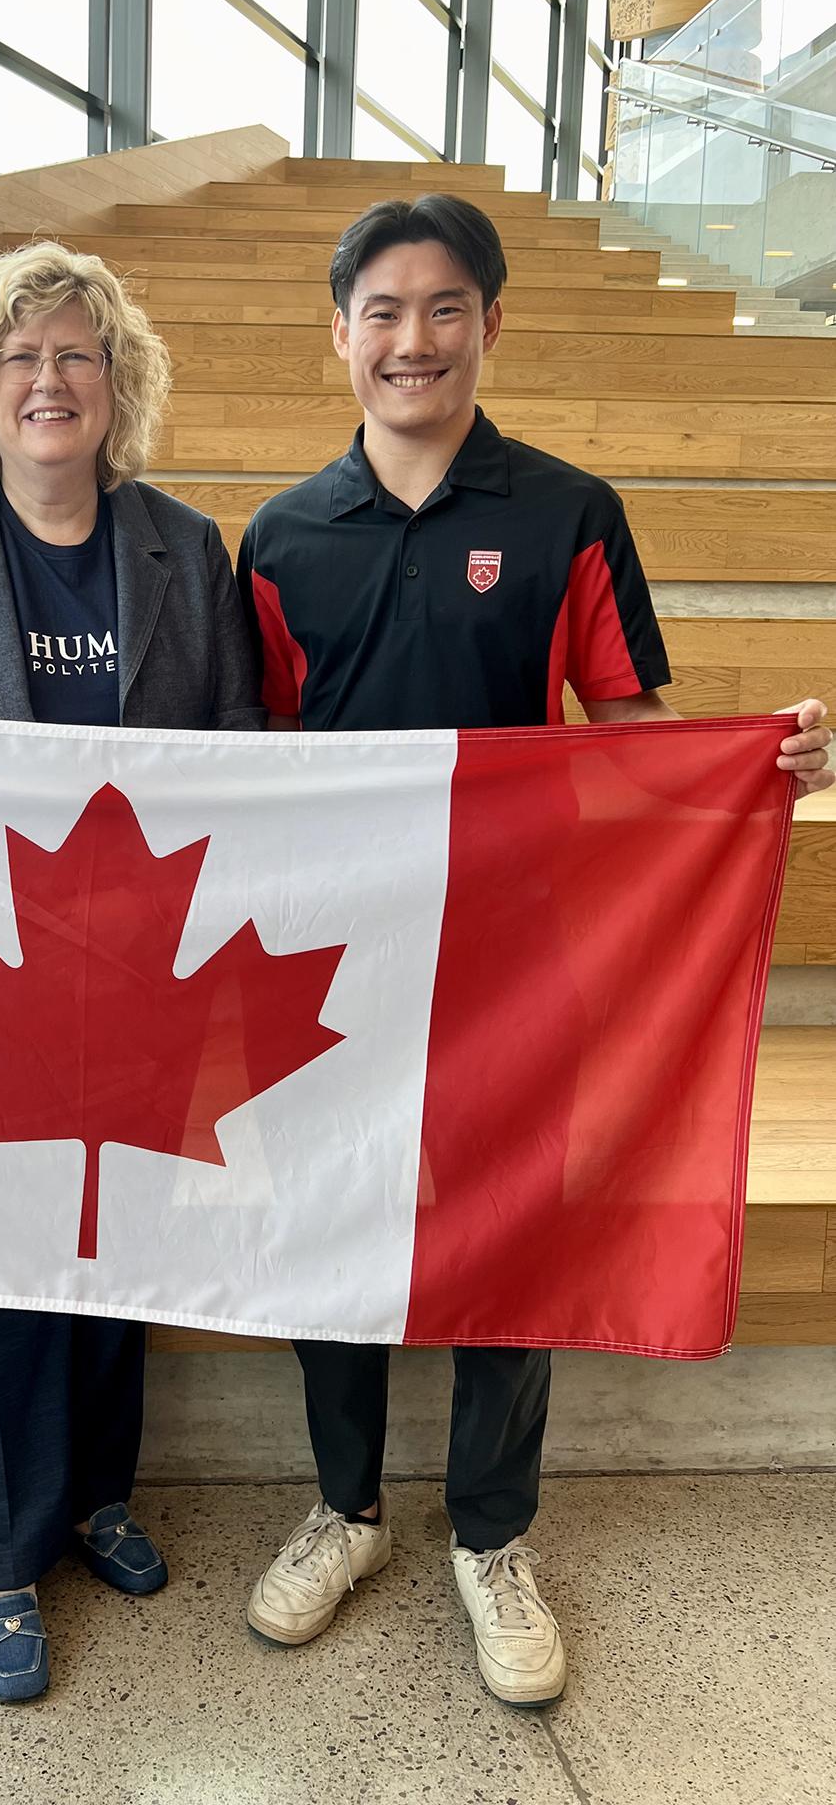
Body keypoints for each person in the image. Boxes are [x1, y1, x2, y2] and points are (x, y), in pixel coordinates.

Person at [236, 193, 832, 1709]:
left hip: (524, 956)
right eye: (382, 311)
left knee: (521, 1230)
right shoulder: (284, 537)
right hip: (331, 957)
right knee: (334, 1228)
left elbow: (633, 734)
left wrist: (756, 765)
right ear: (340, 335)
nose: (413, 339)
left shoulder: (569, 512)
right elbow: (256, 766)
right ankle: (347, 1507)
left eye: (444, 308)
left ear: (492, 325)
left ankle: (493, 1534)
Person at [0, 241, 262, 1701]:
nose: (47, 379)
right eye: (18, 356)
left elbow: (235, 756)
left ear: (116, 379)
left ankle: (93, 1496)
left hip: (139, 971)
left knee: (112, 1243)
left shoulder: (184, 548)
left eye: (75, 352)